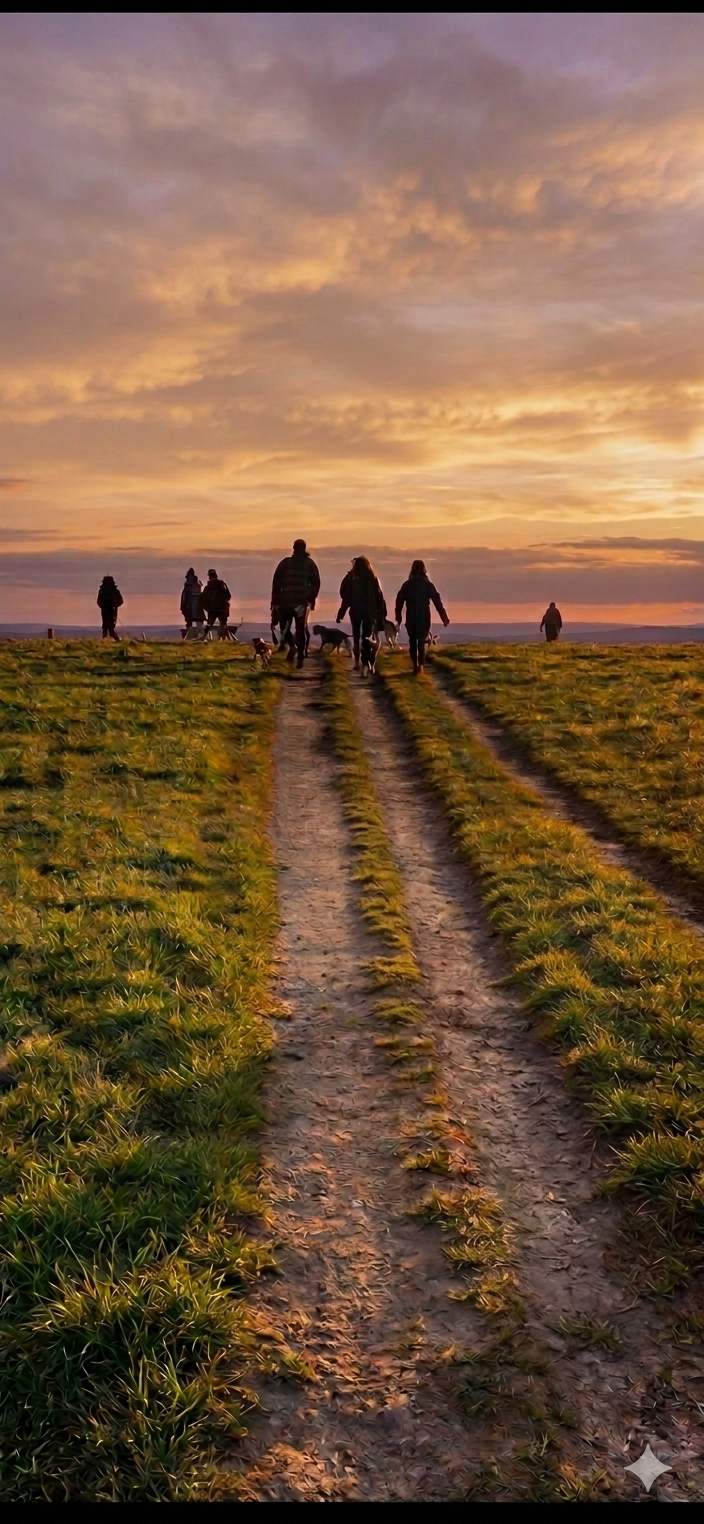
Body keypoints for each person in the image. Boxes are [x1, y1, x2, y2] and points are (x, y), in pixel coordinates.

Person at [271, 539, 321, 668]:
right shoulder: (310, 564)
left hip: (285, 602)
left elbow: (276, 583)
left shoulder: (285, 563)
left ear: (293, 548)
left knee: (285, 628)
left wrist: (274, 602)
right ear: (304, 549)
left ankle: (292, 647)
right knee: (301, 629)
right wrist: (310, 599)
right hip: (301, 603)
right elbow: (316, 583)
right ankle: (300, 656)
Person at [395, 560, 449, 674]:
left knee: (413, 642)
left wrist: (398, 617)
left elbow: (399, 602)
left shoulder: (407, 585)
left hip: (411, 617)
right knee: (421, 641)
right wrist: (444, 617)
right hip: (424, 617)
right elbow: (437, 601)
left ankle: (416, 665)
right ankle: (420, 665)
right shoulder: (428, 585)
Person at [336, 555, 386, 674]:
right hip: (370, 612)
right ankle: (366, 661)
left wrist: (341, 613)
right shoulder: (373, 578)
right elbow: (379, 598)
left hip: (355, 611)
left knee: (356, 636)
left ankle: (357, 662)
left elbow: (345, 597)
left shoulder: (350, 578)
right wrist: (382, 616)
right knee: (367, 637)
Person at [97, 576, 123, 641]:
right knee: (111, 626)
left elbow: (98, 602)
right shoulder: (115, 591)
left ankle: (105, 639)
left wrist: (104, 607)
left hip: (105, 610)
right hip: (112, 610)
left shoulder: (101, 591)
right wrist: (114, 606)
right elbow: (121, 601)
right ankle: (117, 640)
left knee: (105, 625)